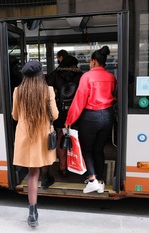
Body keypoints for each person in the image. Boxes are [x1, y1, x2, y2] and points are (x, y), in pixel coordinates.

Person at [12, 61, 58, 227]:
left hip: (26, 136)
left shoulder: (18, 91)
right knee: (41, 162)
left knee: (32, 174)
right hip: (42, 136)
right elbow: (55, 115)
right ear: (40, 75)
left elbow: (15, 116)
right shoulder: (48, 91)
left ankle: (33, 212)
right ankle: (46, 176)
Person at [65, 46, 116, 194]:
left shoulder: (87, 77)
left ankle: (92, 179)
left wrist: (70, 119)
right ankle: (100, 182)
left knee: (87, 149)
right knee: (99, 150)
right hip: (107, 115)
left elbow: (79, 101)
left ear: (93, 61)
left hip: (91, 117)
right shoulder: (111, 77)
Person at [46, 55, 83, 177]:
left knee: (61, 138)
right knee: (74, 138)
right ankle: (75, 165)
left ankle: (63, 168)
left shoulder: (55, 75)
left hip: (60, 111)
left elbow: (47, 88)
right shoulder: (80, 76)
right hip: (75, 111)